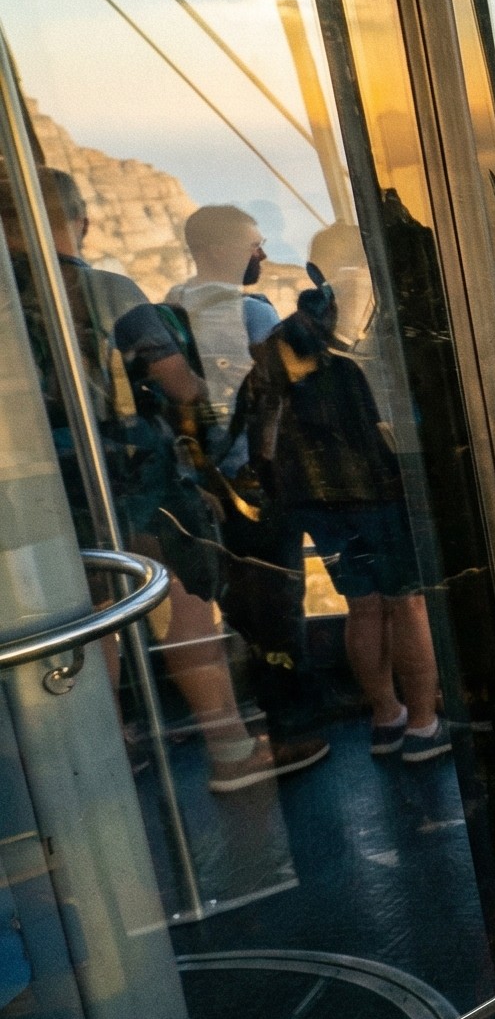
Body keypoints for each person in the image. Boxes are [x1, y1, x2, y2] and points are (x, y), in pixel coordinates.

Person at [13, 168, 325, 792]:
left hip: (30, 487)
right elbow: (178, 384)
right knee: (184, 607)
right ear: (81, 220)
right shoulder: (106, 291)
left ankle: (96, 757)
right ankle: (230, 747)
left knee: (84, 614)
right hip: (131, 480)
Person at [235, 270, 447, 762]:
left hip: (313, 496)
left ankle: (385, 715)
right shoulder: (361, 333)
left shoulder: (283, 343)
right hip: (377, 492)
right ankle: (423, 724)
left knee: (363, 605)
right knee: (407, 603)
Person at [163, 204, 276, 421]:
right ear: (218, 251)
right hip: (244, 447)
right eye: (254, 246)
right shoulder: (254, 313)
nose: (262, 255)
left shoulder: (172, 304)